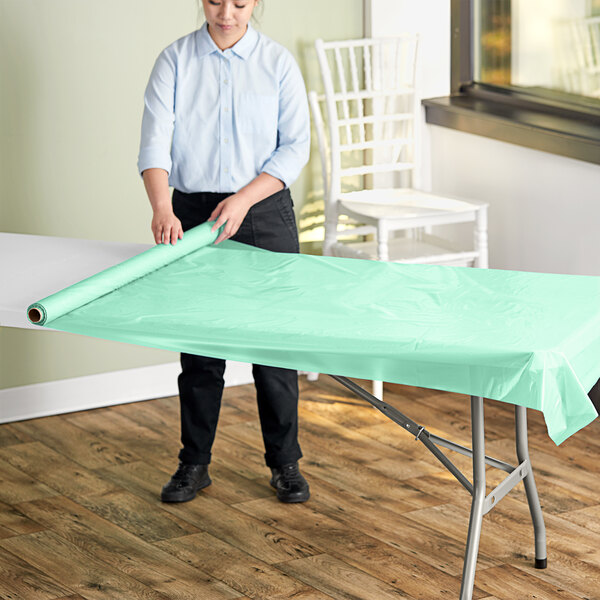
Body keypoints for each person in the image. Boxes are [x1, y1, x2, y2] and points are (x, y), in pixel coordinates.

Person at [137, 0, 311, 503]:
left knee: (273, 347)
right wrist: (161, 207)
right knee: (200, 347)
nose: (227, 13)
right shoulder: (174, 60)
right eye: (216, 1)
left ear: (257, 3)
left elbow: (295, 145)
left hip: (262, 209)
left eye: (240, 2)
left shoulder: (277, 63)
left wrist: (243, 198)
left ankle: (285, 464)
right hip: (190, 213)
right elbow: (155, 143)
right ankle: (193, 465)